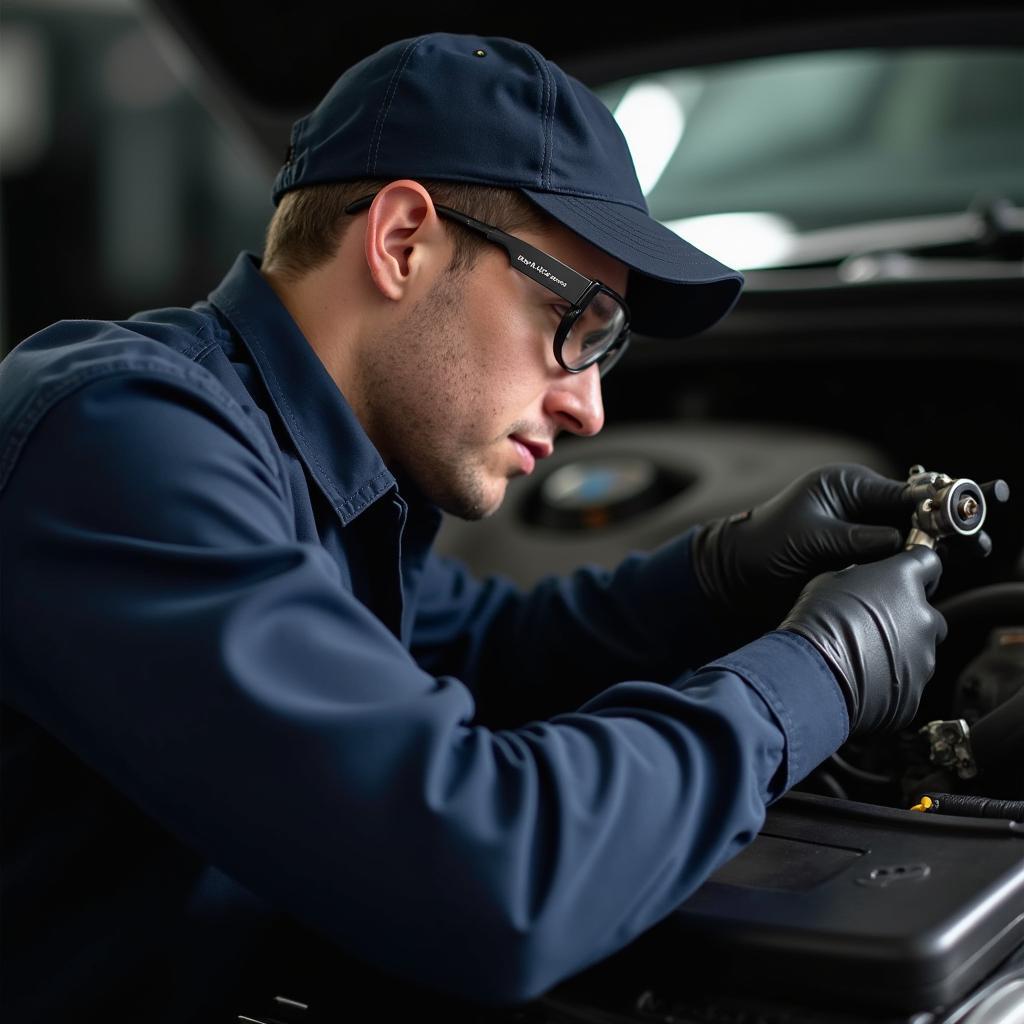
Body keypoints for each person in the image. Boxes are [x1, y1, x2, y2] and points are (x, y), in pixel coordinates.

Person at [0, 31, 946, 1022]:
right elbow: (486, 876)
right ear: (403, 239)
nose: (588, 410)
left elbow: (484, 651)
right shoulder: (120, 443)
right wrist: (815, 676)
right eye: (576, 323)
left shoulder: (331, 475)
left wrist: (717, 575)